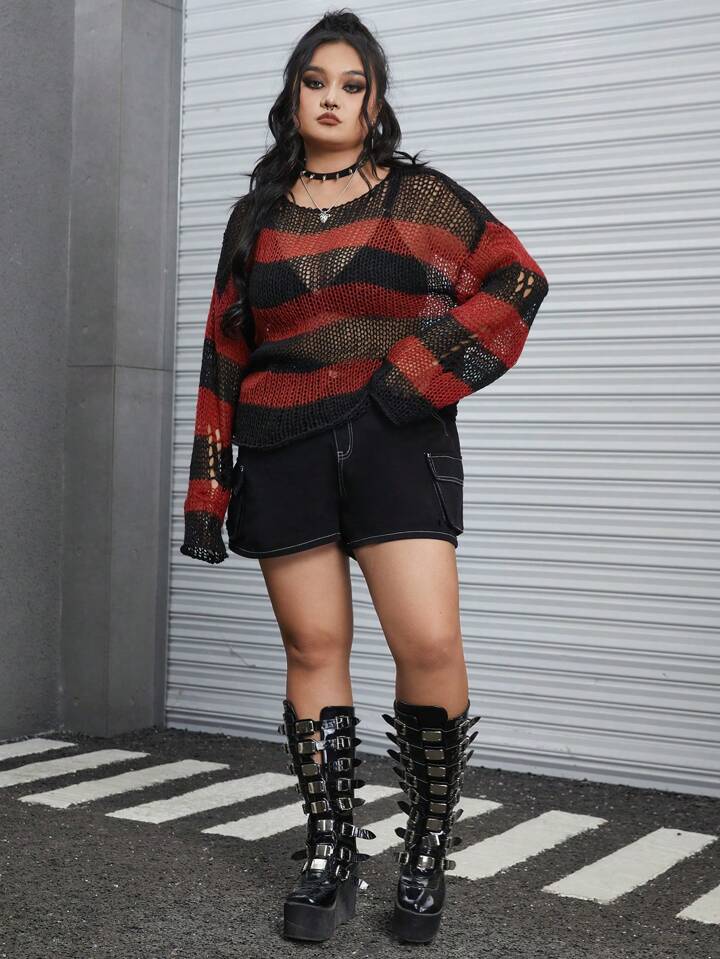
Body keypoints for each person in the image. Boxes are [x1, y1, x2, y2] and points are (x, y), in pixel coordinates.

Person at [180, 9, 549, 946]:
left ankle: (426, 847)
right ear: (292, 94)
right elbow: (226, 353)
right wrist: (209, 490)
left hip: (394, 438)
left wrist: (414, 375)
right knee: (313, 649)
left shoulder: (420, 197)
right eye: (316, 82)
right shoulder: (255, 217)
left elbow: (516, 280)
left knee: (428, 642)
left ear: (374, 101)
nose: (332, 98)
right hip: (281, 445)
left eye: (352, 84)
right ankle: (331, 849)